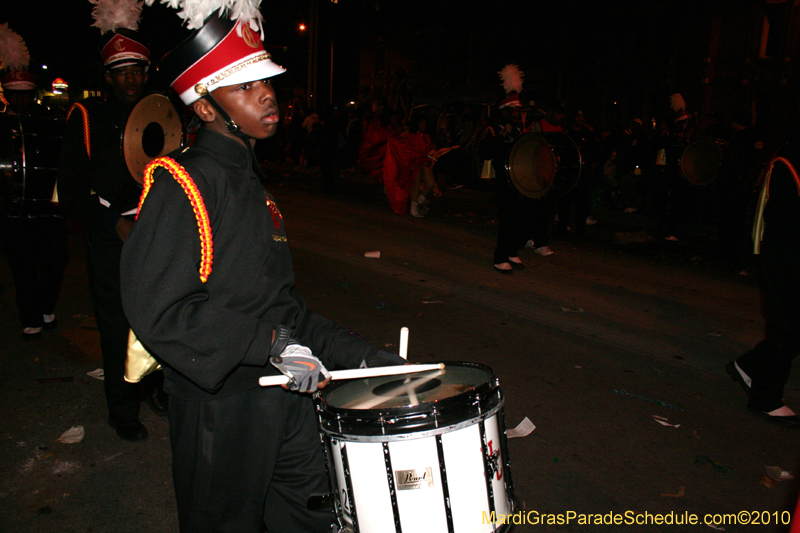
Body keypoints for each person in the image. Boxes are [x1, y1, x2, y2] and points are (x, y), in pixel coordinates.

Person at [119, 11, 404, 531]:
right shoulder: (183, 182)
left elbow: (282, 308)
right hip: (222, 407)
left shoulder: (248, 180)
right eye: (244, 87)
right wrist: (269, 343)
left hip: (284, 395)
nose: (267, 95)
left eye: (265, 81)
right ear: (204, 107)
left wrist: (364, 355)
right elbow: (159, 309)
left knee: (313, 516)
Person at [57, 4, 166, 441]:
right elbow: (70, 190)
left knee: (159, 317)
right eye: (121, 73)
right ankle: (122, 410)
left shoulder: (161, 114)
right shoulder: (87, 117)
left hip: (155, 232)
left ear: (146, 72)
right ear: (108, 75)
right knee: (117, 322)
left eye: (137, 71)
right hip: (111, 236)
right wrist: (112, 223)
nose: (130, 80)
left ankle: (157, 388)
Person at [726, 139, 800, 429]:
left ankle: (749, 365)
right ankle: (765, 397)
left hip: (788, 254)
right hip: (788, 257)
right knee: (789, 325)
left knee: (791, 326)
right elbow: (786, 221)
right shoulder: (791, 160)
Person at [0, 26, 68, 340]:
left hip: (50, 212)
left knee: (53, 264)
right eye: (14, 94)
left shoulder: (52, 120)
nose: (20, 100)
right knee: (23, 269)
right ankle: (31, 314)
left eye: (25, 94)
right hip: (13, 214)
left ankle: (45, 305)